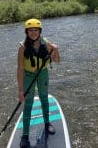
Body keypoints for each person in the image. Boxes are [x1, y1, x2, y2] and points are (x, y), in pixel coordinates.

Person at [17, 19, 60, 148]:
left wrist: (56, 50)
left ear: (40, 31)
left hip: (42, 74)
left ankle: (47, 124)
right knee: (28, 102)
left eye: (36, 30)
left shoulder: (47, 44)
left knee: (44, 98)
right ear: (27, 32)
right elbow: (19, 69)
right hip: (28, 75)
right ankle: (25, 135)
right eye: (31, 30)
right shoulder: (22, 48)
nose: (33, 32)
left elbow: (57, 61)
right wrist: (20, 90)